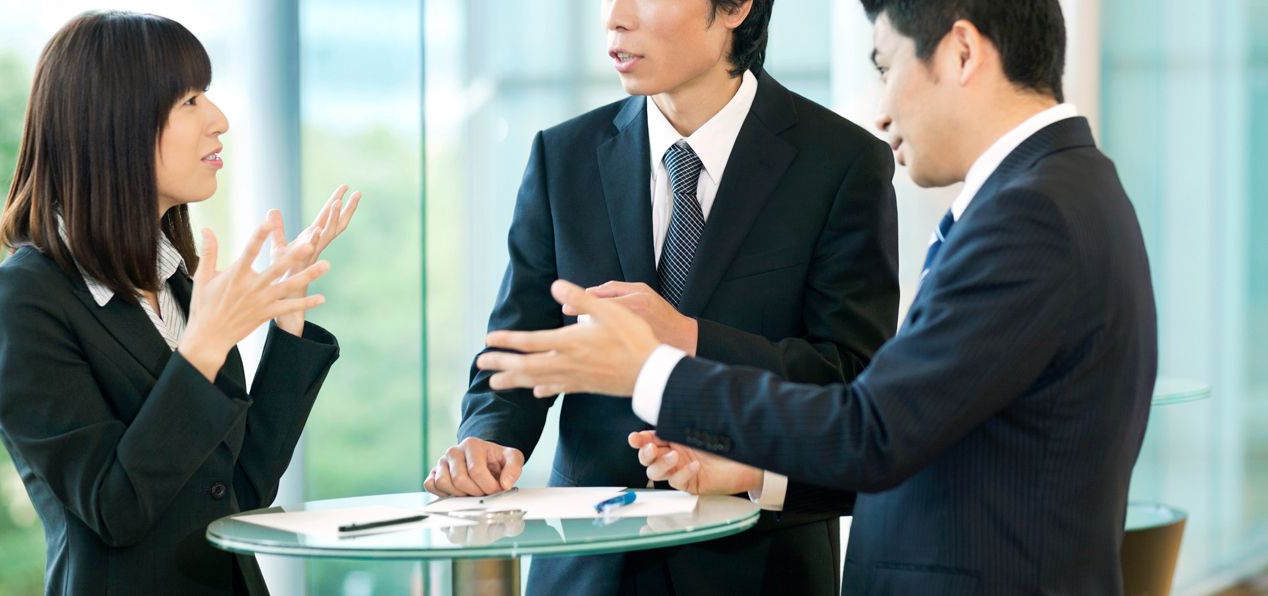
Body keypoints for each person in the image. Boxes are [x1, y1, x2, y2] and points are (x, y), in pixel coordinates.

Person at [476, 0, 1158, 594]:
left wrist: (653, 368)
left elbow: (872, 424)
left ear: (961, 52)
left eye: (886, 67)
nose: (883, 110)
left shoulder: (1029, 216)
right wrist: (752, 470)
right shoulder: (1061, 193)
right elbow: (907, 431)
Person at [427, 0, 900, 593]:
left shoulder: (842, 162)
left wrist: (688, 339)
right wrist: (487, 440)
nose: (614, 17)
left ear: (736, 8)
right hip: (587, 565)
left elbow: (852, 382)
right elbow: (518, 354)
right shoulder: (563, 155)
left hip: (757, 567)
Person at [0, 11, 360, 595]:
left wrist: (287, 321)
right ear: (115, 123)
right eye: (190, 101)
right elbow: (115, 508)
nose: (219, 120)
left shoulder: (177, 284)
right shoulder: (21, 302)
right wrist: (203, 350)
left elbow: (239, 491)